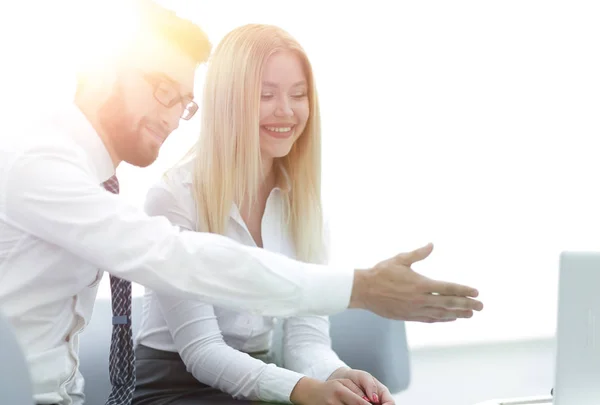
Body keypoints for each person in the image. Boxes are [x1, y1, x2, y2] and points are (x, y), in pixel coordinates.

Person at [0, 2, 483, 405]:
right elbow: (176, 260)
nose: (172, 117)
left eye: (183, 103)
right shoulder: (41, 163)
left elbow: (304, 340)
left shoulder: (93, 175)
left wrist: (334, 377)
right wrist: (360, 289)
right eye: (163, 90)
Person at [132, 24, 396, 405]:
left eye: (299, 95)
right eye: (265, 95)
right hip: (176, 388)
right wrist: (303, 390)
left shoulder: (304, 207)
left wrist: (339, 376)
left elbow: (307, 339)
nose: (286, 111)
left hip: (264, 382)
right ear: (229, 101)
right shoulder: (173, 197)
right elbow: (202, 352)